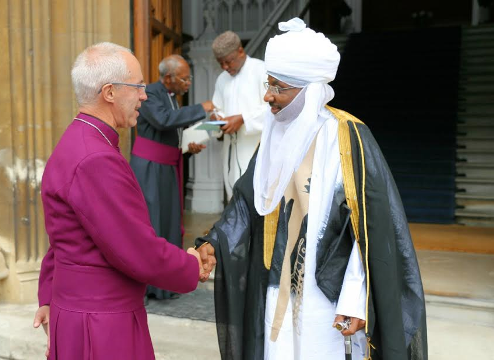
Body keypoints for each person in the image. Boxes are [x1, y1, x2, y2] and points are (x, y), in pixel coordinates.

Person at [196, 18, 428, 359]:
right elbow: (247, 202)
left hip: (327, 300)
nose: (267, 96)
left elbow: (374, 230)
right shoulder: (275, 135)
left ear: (308, 89)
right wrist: (215, 242)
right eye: (268, 84)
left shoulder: (348, 138)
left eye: (278, 87)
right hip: (275, 288)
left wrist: (354, 297)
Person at [32, 42, 213, 360]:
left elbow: (62, 236)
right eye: (138, 86)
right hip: (100, 322)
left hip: (78, 311)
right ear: (110, 92)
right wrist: (191, 265)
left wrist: (47, 294)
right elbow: (137, 249)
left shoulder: (78, 138)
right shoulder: (95, 158)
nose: (144, 95)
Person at [130, 54, 214, 300]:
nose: (188, 83)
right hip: (149, 169)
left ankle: (165, 285)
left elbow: (171, 133)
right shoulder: (150, 94)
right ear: (168, 77)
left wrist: (187, 148)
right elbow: (163, 121)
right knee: (153, 225)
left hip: (167, 167)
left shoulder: (172, 97)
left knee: (168, 225)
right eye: (185, 78)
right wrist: (201, 109)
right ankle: (148, 286)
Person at [211, 31, 269, 200]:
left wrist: (243, 119)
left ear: (241, 51)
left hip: (257, 149)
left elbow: (274, 110)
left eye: (228, 62)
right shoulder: (222, 79)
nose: (225, 67)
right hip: (231, 148)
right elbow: (217, 108)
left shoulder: (261, 70)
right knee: (234, 197)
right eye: (220, 63)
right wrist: (216, 118)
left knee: (256, 199)